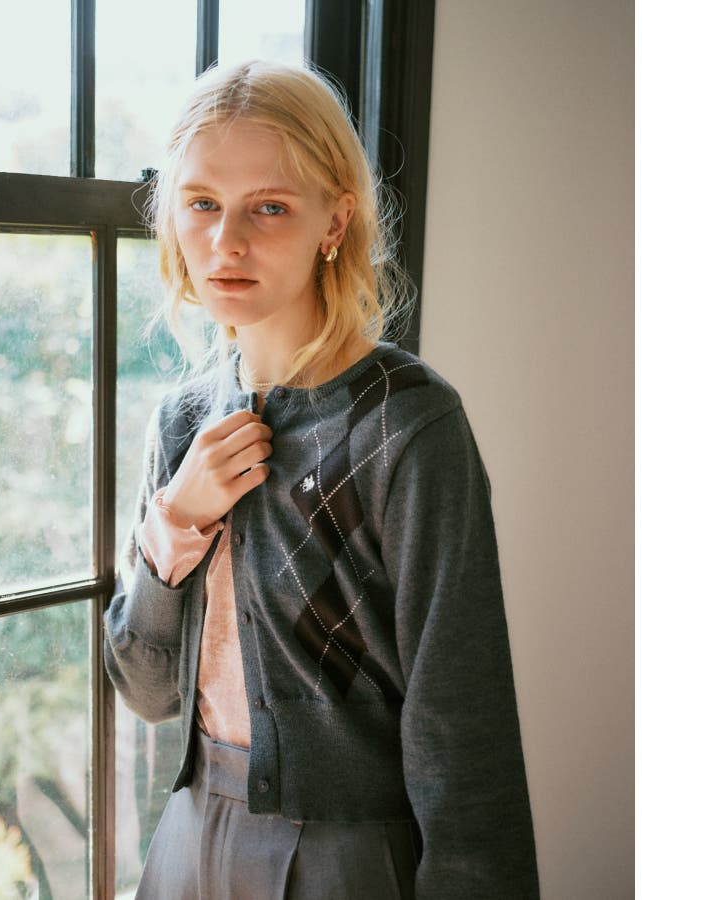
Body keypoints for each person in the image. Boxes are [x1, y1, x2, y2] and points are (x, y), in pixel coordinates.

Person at [104, 60, 540, 899]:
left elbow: (463, 726)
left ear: (334, 220)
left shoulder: (408, 426)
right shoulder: (182, 422)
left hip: (347, 859)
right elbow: (147, 691)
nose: (226, 243)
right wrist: (177, 521)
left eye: (268, 207)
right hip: (188, 842)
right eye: (202, 204)